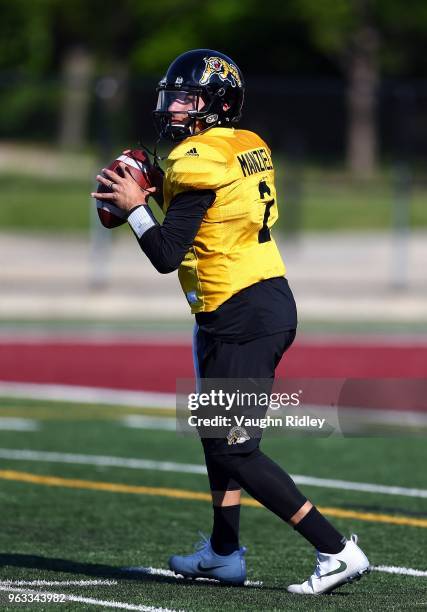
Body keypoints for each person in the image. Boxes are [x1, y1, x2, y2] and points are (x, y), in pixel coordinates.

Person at [91, 49, 370, 595]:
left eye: (186, 97)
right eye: (171, 95)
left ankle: (337, 550)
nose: (173, 106)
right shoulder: (246, 144)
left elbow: (167, 252)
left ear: (215, 104)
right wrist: (154, 191)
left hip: (242, 309)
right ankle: (224, 553)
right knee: (217, 437)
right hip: (246, 302)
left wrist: (135, 207)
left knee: (234, 447)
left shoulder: (199, 156)